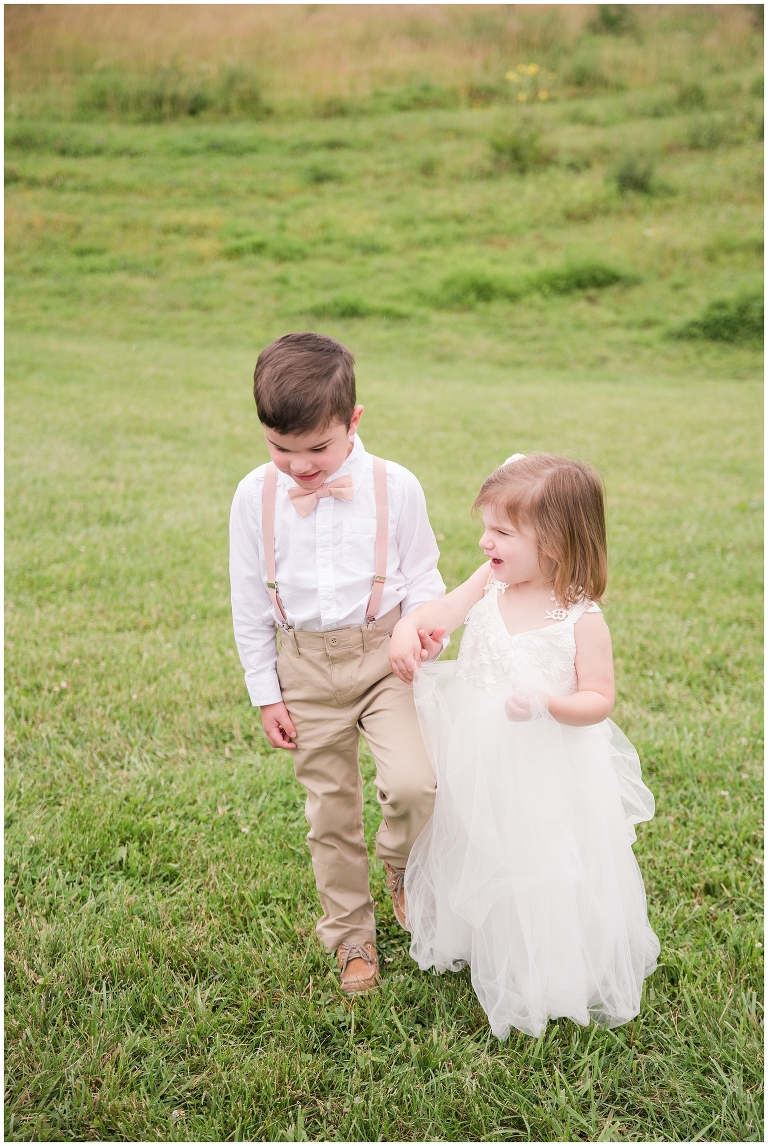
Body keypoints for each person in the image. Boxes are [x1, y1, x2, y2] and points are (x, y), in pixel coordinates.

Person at [388, 452, 660, 1039]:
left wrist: (547, 703)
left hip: (545, 764)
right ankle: (474, 933)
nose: (485, 541)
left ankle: (545, 964)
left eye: (502, 532)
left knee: (538, 859)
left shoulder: (581, 618)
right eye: (486, 526)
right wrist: (411, 628)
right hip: (478, 750)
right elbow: (444, 611)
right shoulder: (490, 580)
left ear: (556, 542)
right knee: (474, 838)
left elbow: (599, 700)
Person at [229, 331, 445, 994]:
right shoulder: (253, 497)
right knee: (331, 811)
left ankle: (400, 864)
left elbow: (426, 578)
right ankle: (352, 935)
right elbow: (248, 605)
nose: (299, 467)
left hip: (386, 659)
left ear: (353, 423)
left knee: (415, 785)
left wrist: (419, 633)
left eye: (317, 448)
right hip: (306, 670)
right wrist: (266, 694)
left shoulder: (395, 487)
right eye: (281, 449)